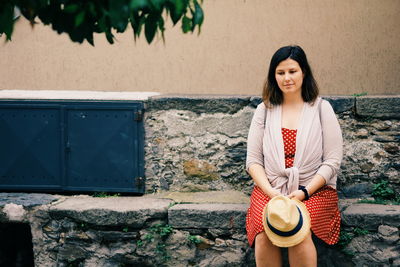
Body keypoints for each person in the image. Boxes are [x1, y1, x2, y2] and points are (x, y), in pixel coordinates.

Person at [245, 45, 343, 267]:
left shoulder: (321, 108)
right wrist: (270, 192)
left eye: (292, 71)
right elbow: (253, 161)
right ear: (273, 76)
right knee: (264, 232)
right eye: (280, 73)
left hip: (314, 189)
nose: (286, 78)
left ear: (304, 72)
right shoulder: (264, 110)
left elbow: (332, 161)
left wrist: (304, 192)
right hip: (270, 188)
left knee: (300, 231)